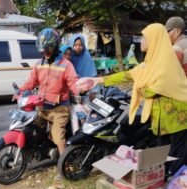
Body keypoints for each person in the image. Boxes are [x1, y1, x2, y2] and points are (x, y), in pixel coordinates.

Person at [77, 23, 187, 176]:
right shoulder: (149, 63)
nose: (141, 41)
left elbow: (157, 88)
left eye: (145, 37)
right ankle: (166, 179)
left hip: (177, 117)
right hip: (161, 118)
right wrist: (98, 80)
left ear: (155, 40)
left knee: (178, 155)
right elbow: (128, 75)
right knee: (163, 153)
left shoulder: (167, 62)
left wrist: (140, 89)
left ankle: (176, 182)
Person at [15, 28, 79, 156]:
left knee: (58, 138)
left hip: (59, 109)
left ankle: (66, 165)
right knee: (31, 128)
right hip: (42, 107)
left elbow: (74, 82)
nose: (46, 52)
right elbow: (32, 80)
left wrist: (80, 89)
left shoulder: (66, 65)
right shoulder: (39, 64)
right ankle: (37, 153)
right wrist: (21, 90)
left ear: (55, 47)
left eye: (48, 49)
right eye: (43, 50)